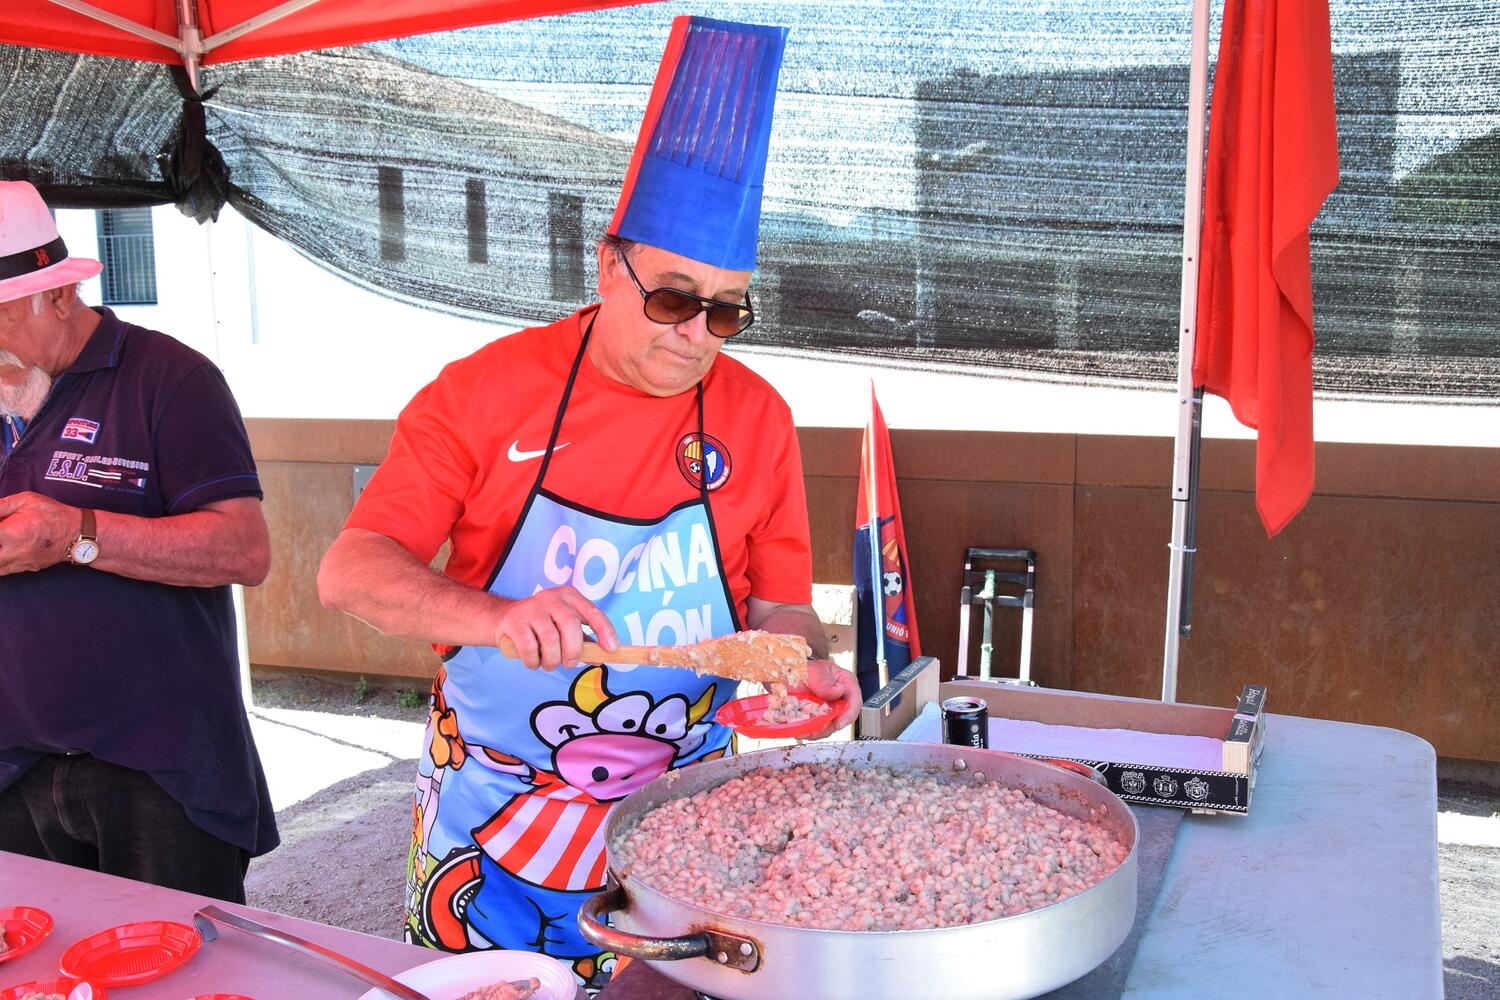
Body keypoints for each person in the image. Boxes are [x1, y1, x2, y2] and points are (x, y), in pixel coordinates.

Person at [316, 16, 860, 990]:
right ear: (610, 268)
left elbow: (781, 610)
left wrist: (803, 669)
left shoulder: (760, 417)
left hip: (688, 815)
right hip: (495, 805)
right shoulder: (483, 393)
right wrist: (494, 616)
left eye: (725, 310)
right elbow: (351, 571)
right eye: (673, 299)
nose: (696, 334)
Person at [0, 180, 278, 902]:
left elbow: (243, 550)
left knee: (179, 955)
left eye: (0, 317)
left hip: (159, 768)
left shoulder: (171, 379)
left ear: (60, 294)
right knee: (32, 954)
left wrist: (74, 534)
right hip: (12, 764)